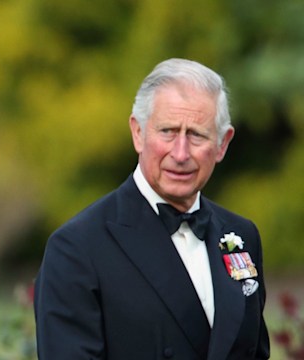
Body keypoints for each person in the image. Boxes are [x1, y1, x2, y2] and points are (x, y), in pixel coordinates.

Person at [34, 58, 270, 359]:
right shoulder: (77, 248)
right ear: (138, 133)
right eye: (168, 131)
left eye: (197, 135)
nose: (181, 153)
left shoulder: (242, 235)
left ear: (222, 144)